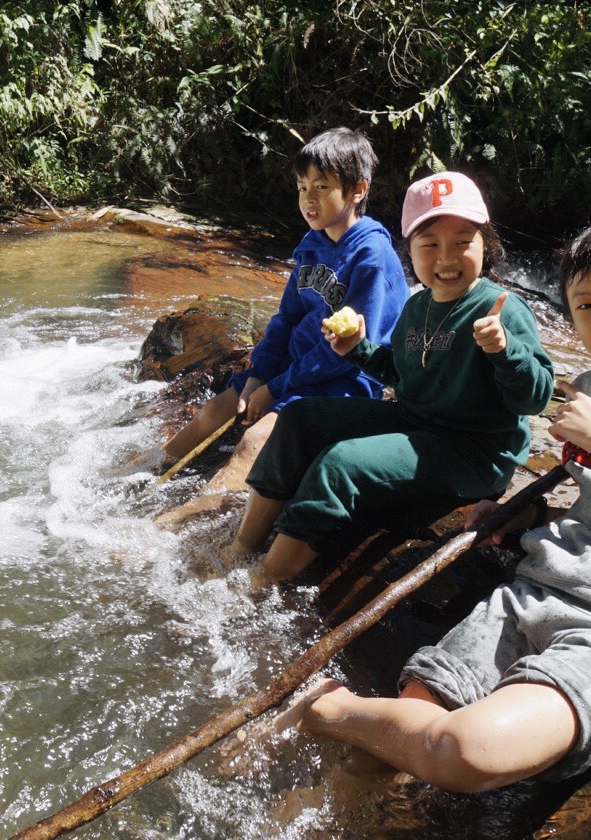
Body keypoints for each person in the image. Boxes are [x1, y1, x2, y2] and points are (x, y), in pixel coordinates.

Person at [273, 223, 591, 792]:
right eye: (585, 305)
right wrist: (532, 519)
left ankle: (328, 708)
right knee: (409, 715)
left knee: (462, 749)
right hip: (545, 586)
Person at [230, 170, 554, 581]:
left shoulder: (500, 308)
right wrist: (357, 350)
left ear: (485, 245)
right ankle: (243, 545)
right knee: (298, 419)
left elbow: (536, 398)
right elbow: (403, 376)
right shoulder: (418, 309)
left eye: (462, 242)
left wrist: (505, 351)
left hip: (476, 451)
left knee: (340, 464)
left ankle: (264, 579)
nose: (447, 258)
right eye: (430, 244)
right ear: (411, 251)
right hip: (417, 423)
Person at [159, 127, 409, 496]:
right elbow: (286, 317)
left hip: (342, 381)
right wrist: (260, 375)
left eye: (322, 187)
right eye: (302, 187)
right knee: (214, 412)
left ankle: (184, 520)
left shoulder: (371, 258)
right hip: (293, 368)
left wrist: (276, 388)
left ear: (358, 190)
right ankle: (148, 470)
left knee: (254, 442)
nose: (309, 198)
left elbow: (350, 352)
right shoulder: (312, 245)